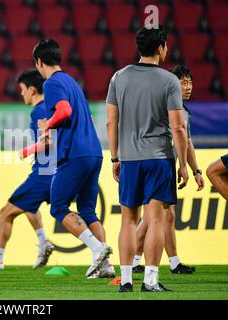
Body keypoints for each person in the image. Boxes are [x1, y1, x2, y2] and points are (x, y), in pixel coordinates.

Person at [106, 25, 189, 292]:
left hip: (129, 158)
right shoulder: (169, 81)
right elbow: (178, 128)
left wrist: (115, 158)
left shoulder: (119, 77)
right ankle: (151, 280)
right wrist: (184, 164)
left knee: (128, 220)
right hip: (159, 158)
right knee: (155, 220)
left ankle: (127, 279)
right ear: (161, 47)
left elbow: (111, 121)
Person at [33, 39, 113, 279]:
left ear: (39, 62)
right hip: (94, 151)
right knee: (88, 210)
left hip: (74, 153)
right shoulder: (72, 82)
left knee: (58, 207)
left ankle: (98, 249)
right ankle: (106, 266)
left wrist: (48, 123)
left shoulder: (52, 83)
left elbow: (64, 111)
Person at [0, 70, 55, 271]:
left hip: (44, 173)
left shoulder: (39, 111)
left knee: (5, 213)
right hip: (56, 171)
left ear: (32, 90)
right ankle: (45, 241)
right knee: (32, 205)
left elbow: (48, 140)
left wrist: (28, 150)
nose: (21, 94)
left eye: (22, 90)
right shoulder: (52, 107)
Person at [132, 65, 203, 275]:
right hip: (157, 163)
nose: (188, 87)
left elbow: (187, 142)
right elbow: (181, 137)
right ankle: (134, 261)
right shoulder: (166, 108)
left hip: (163, 164)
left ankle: (169, 262)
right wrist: (184, 166)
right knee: (155, 215)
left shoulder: (182, 111)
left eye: (189, 82)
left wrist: (196, 170)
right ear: (172, 84)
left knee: (164, 214)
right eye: (183, 82)